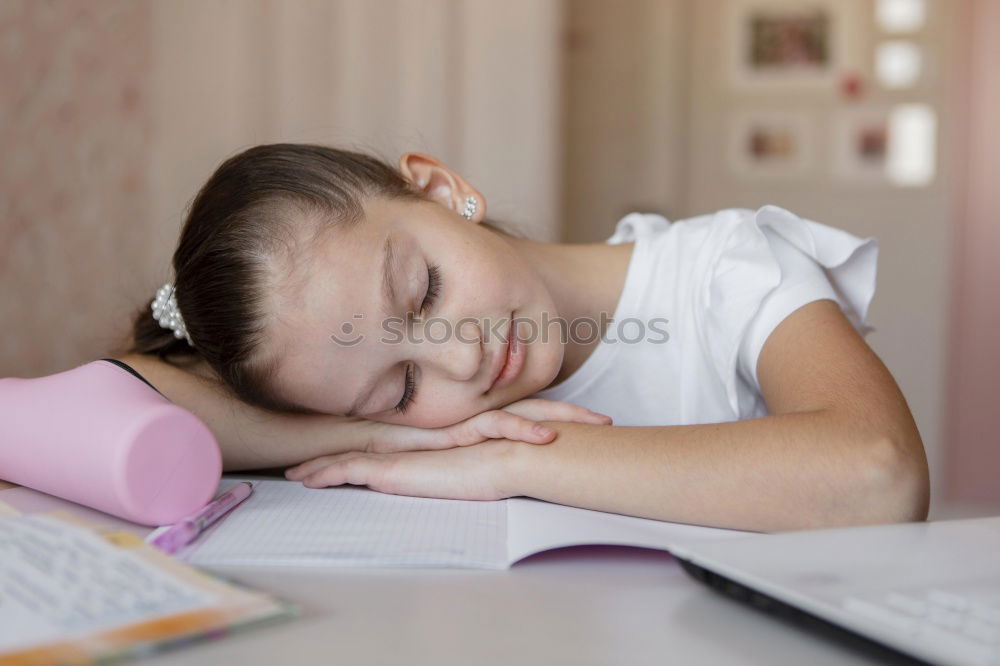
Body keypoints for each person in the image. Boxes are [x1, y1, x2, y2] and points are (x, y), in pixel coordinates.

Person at [116, 143, 929, 532]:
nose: (460, 357)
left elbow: (877, 476)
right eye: (400, 387)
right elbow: (118, 389)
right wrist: (379, 433)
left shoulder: (728, 268)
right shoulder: (421, 424)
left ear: (440, 190)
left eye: (424, 292)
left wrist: (508, 460)